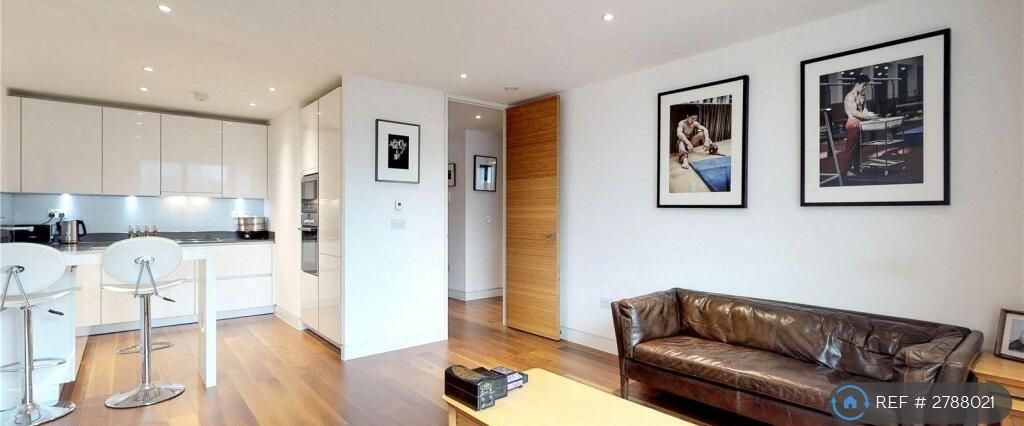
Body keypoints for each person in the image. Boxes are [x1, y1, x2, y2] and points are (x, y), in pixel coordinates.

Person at [840, 74, 879, 175]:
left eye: (866, 85)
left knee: (859, 148)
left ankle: (856, 167)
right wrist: (868, 117)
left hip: (861, 123)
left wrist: (870, 114)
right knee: (851, 148)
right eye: (863, 85)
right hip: (852, 123)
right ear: (857, 84)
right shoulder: (850, 96)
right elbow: (854, 112)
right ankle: (846, 170)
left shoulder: (862, 96)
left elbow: (864, 109)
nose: (864, 88)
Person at [675, 105, 716, 169]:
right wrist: (688, 143)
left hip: (689, 145)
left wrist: (706, 140)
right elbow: (679, 134)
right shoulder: (681, 123)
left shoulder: (694, 123)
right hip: (680, 145)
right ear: (687, 116)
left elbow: (705, 129)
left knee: (701, 134)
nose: (694, 120)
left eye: (695, 119)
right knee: (681, 141)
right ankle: (685, 161)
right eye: (692, 118)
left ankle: (713, 149)